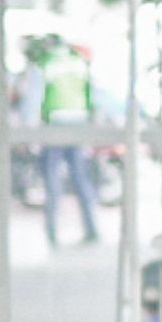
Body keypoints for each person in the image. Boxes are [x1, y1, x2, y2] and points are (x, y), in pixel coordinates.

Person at [32, 34, 100, 246]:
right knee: (80, 177)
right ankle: (91, 228)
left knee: (53, 178)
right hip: (78, 121)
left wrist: (35, 127)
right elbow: (91, 94)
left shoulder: (46, 62)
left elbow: (37, 97)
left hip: (55, 122)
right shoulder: (79, 61)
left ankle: (51, 232)